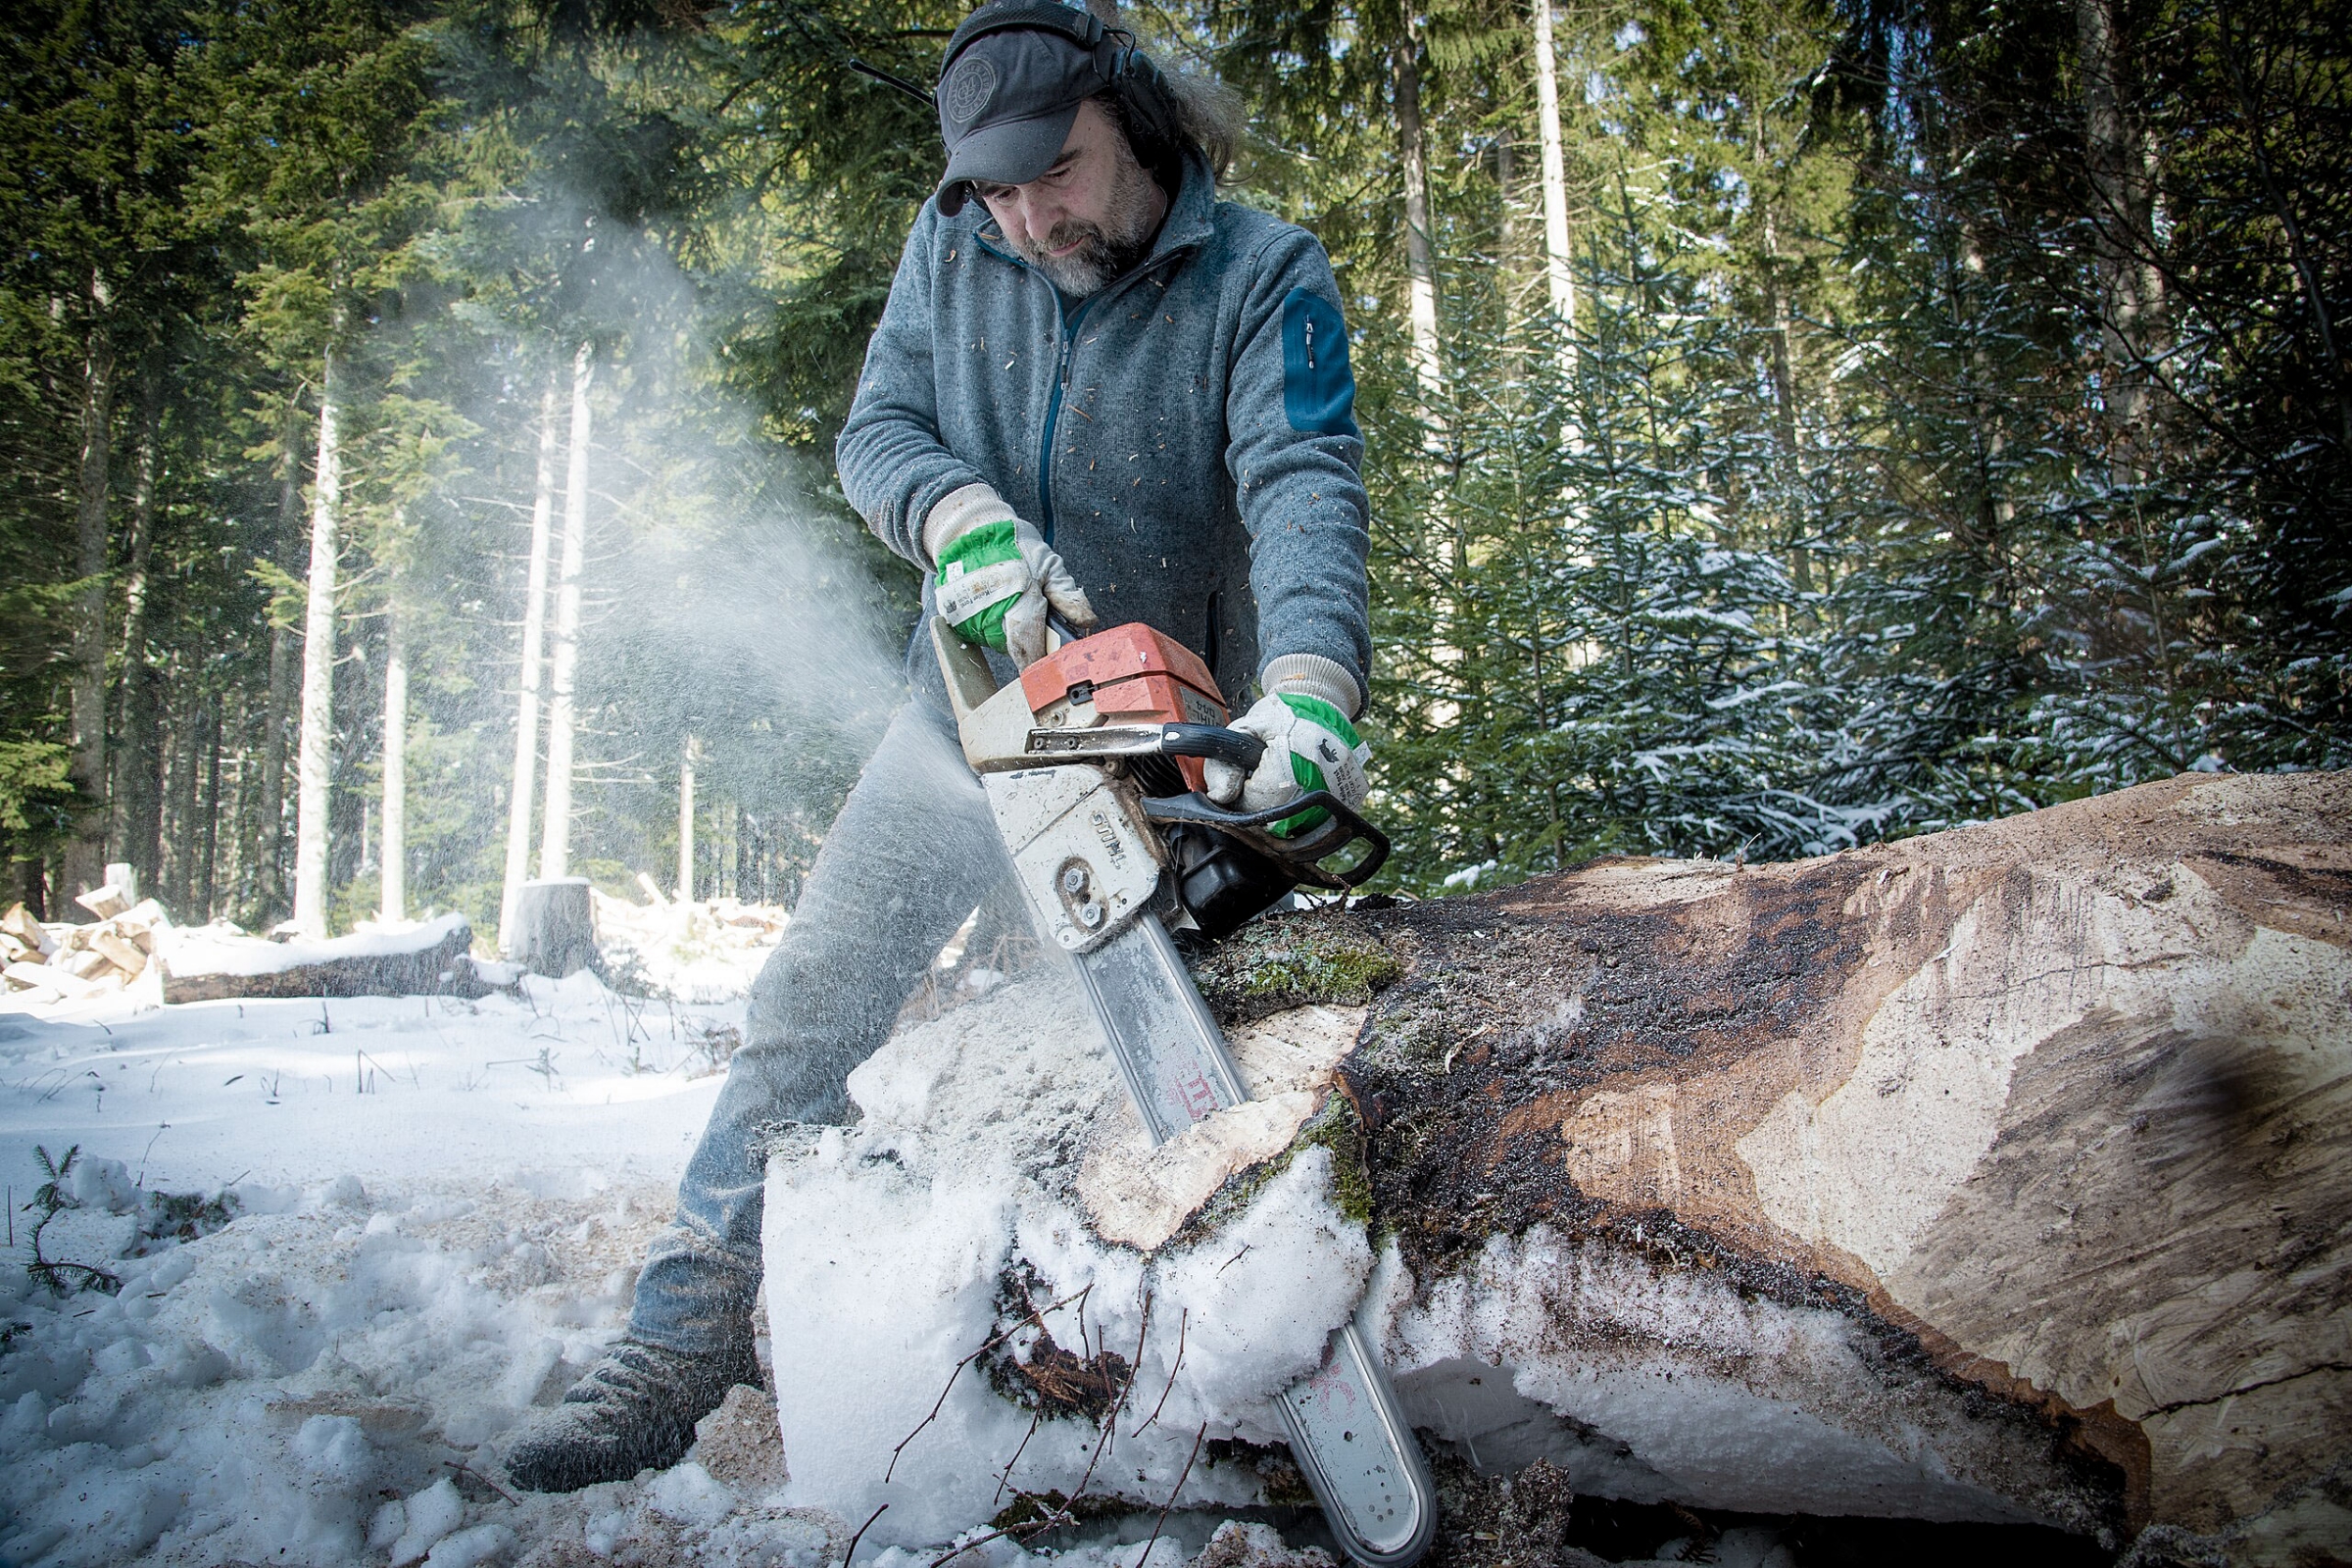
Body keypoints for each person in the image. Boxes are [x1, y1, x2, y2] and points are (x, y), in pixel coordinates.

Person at [504, 0, 1374, 1492]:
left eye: (1062, 172)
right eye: (999, 187)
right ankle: (681, 1333)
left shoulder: (1262, 275)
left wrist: (1306, 688)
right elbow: (878, 433)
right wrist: (954, 519)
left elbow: (1302, 482)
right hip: (969, 717)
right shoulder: (952, 245)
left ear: (1136, 122)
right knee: (815, 996)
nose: (1033, 217)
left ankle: (1215, 1392)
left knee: (1186, 1068)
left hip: (1179, 741)